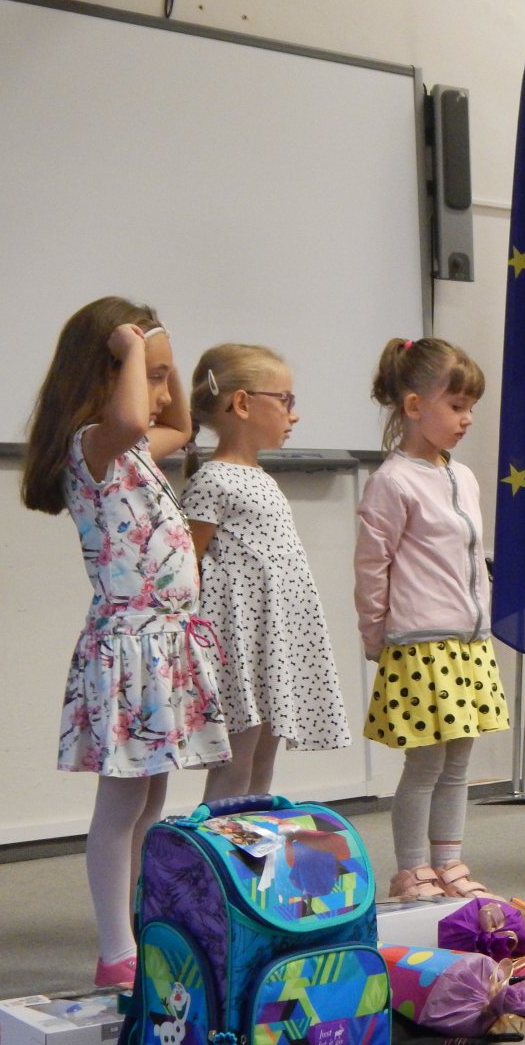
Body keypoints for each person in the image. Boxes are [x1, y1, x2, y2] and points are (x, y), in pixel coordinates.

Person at [21, 297, 231, 986]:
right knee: (120, 806)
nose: (163, 391)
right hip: (131, 646)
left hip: (165, 642)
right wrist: (135, 347)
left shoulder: (135, 450)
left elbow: (178, 424)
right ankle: (116, 951)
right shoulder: (94, 445)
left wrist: (155, 348)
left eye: (165, 375)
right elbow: (139, 418)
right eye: (152, 376)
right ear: (104, 374)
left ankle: (142, 929)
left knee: (150, 802)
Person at [355, 337, 509, 902]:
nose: (467, 419)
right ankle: (411, 868)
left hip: (467, 643)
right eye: (457, 406)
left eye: (471, 407)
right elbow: (372, 566)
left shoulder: (461, 476)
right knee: (424, 765)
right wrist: (376, 633)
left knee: (458, 763)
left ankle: (448, 861)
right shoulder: (392, 481)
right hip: (420, 643)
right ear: (415, 406)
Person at [182, 344, 351, 802]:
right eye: (285, 400)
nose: (293, 415)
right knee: (237, 761)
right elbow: (188, 567)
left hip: (274, 638)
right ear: (242, 403)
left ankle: (252, 838)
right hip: (241, 641)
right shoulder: (212, 480)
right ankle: (220, 842)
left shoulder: (260, 476)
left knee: (262, 759)